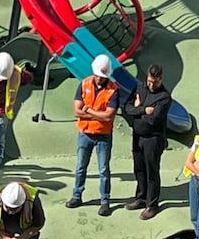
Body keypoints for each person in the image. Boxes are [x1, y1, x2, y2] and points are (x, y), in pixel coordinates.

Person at [68, 54, 121, 215]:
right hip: (85, 133)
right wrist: (98, 114)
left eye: (102, 76)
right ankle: (77, 195)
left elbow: (108, 116)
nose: (99, 79)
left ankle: (105, 201)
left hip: (103, 135)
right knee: (80, 168)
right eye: (98, 75)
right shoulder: (83, 84)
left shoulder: (113, 90)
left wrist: (89, 110)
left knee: (104, 170)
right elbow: (77, 111)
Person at [122, 64, 171, 219]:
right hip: (138, 136)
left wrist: (137, 109)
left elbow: (153, 119)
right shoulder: (140, 88)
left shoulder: (164, 97)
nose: (151, 85)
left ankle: (152, 204)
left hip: (153, 139)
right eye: (149, 81)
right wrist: (143, 109)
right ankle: (141, 198)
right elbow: (127, 108)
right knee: (139, 169)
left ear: (160, 79)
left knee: (151, 172)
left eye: (154, 82)